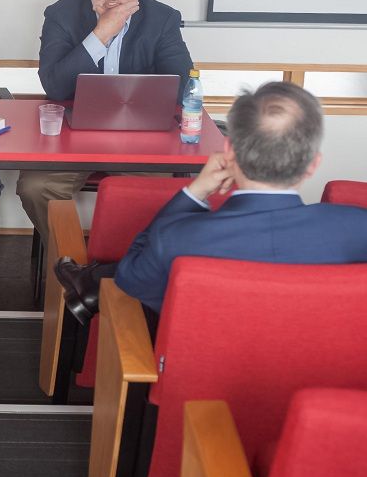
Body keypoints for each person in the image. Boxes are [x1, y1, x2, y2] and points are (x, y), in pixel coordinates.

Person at [56, 82, 367, 318]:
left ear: (228, 150)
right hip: (327, 380)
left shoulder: (177, 237)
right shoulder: (358, 228)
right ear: (313, 163)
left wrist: (195, 192)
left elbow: (129, 279)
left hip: (200, 383)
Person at [19, 0, 194, 236]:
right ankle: (69, 259)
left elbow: (184, 87)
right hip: (73, 136)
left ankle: (127, 261)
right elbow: (55, 86)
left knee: (160, 195)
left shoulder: (162, 19)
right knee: (36, 187)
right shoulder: (61, 14)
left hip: (143, 137)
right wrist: (101, 34)